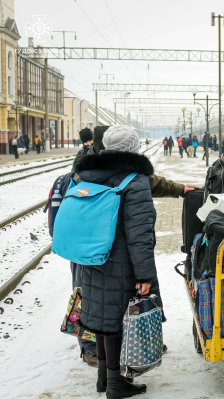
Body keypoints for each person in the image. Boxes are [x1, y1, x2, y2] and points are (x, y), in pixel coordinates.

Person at [72, 125, 154, 397]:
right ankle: (116, 385)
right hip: (122, 262)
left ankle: (103, 379)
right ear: (133, 148)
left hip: (92, 258)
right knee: (119, 321)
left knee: (103, 320)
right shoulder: (135, 179)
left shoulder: (88, 174)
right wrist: (145, 276)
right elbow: (140, 235)